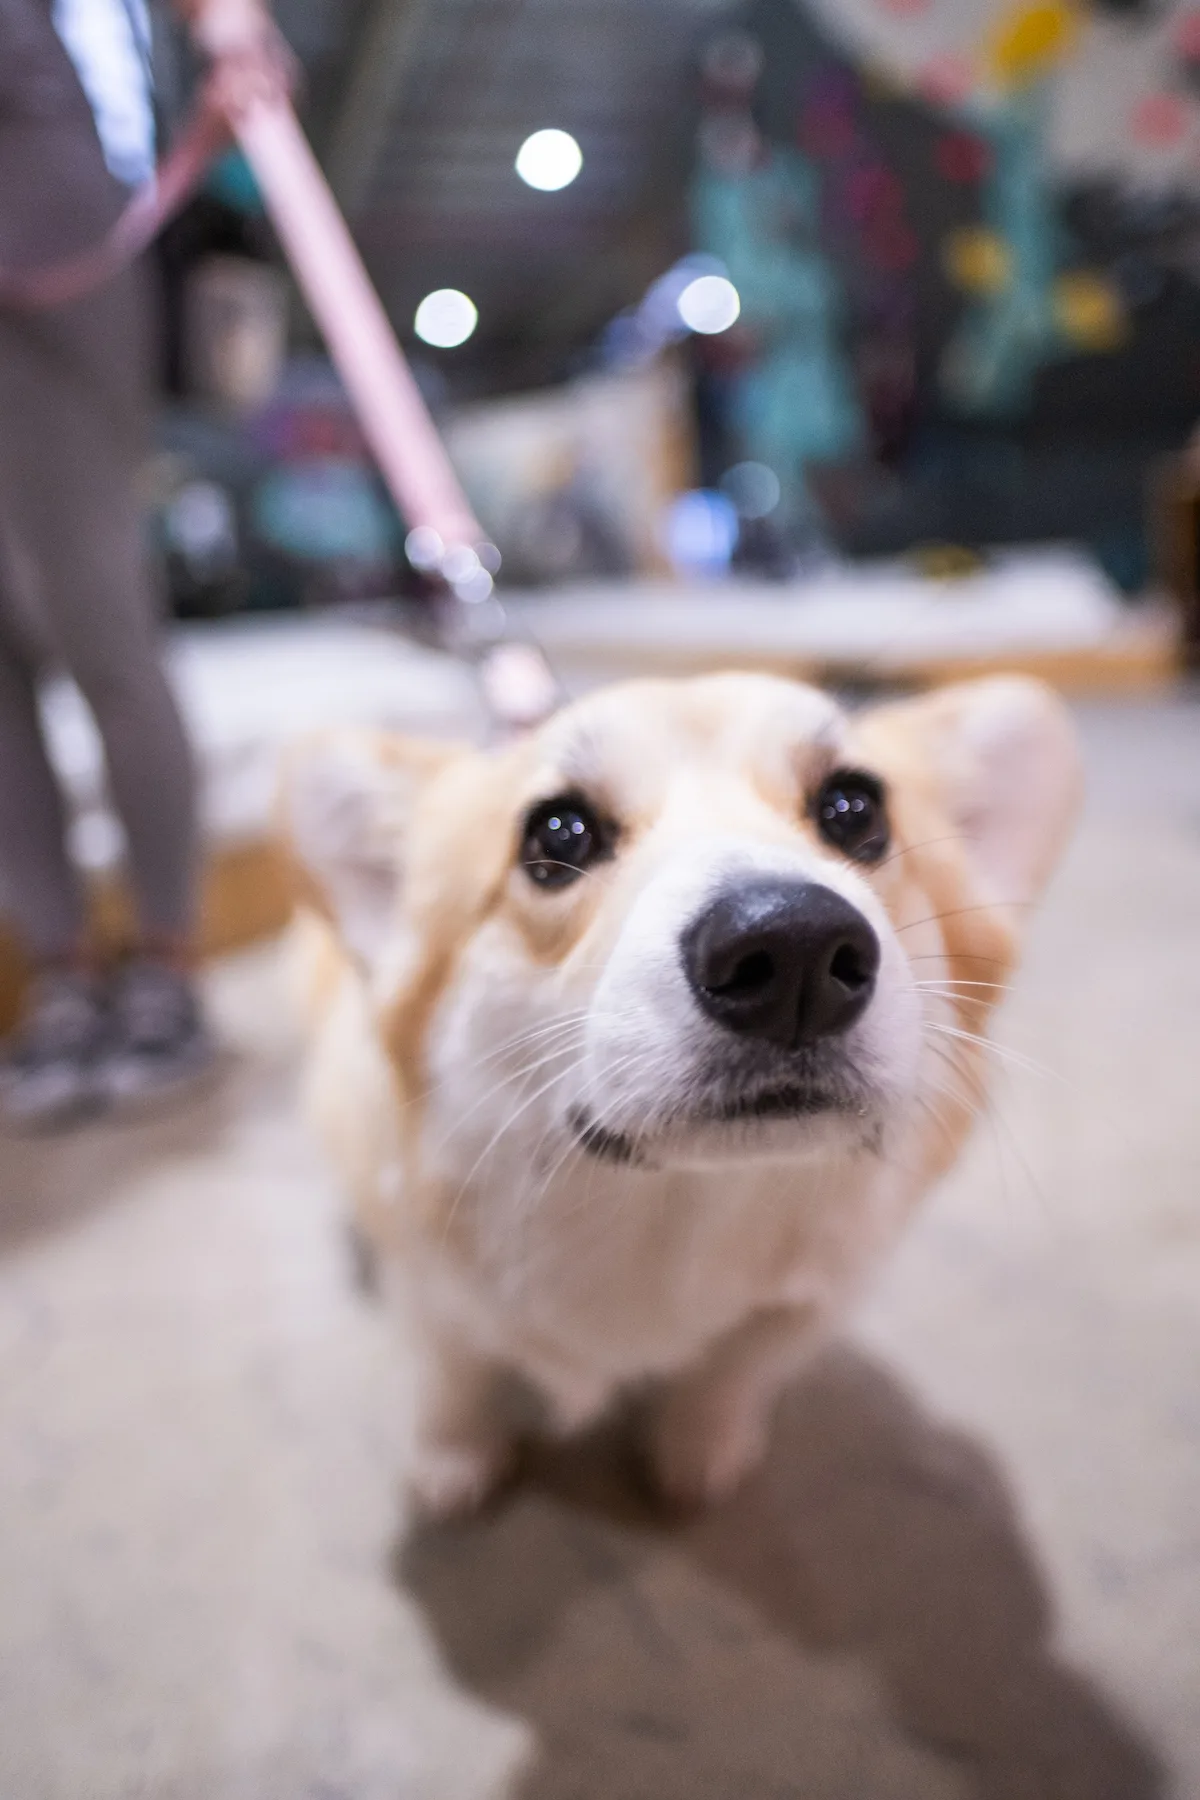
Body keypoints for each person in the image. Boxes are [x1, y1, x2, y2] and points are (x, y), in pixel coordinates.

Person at [0, 0, 211, 1129]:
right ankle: (64, 968)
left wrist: (225, 22)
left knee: (97, 618)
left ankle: (168, 958)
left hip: (35, 210)